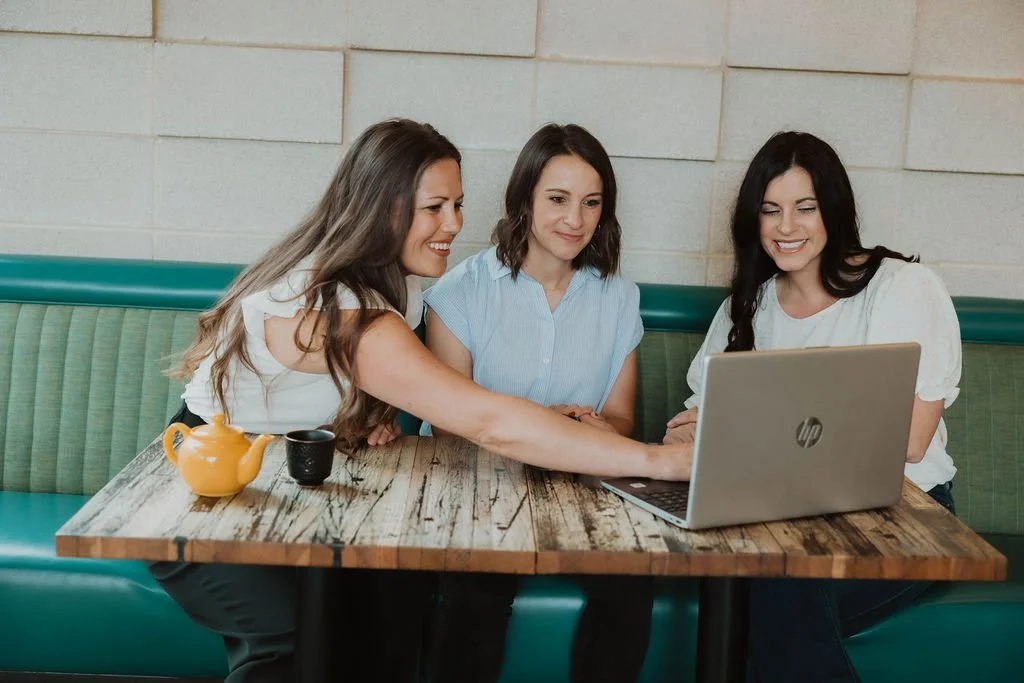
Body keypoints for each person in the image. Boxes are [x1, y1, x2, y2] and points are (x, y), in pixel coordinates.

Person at [149, 118, 692, 683]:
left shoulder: (396, 286)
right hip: (206, 487)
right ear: (383, 208)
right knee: (292, 645)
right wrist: (663, 461)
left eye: (457, 205)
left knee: (388, 602)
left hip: (283, 477)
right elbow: (485, 420)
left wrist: (361, 413)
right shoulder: (346, 309)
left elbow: (335, 386)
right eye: (436, 207)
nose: (455, 224)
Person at [663, 131, 961, 683]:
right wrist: (714, 433)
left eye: (805, 208)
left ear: (834, 209)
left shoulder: (901, 288)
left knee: (768, 585)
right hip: (783, 525)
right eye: (770, 210)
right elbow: (686, 432)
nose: (786, 227)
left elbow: (909, 439)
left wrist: (739, 433)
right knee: (754, 577)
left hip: (908, 519)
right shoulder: (744, 308)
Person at [421, 123, 655, 683]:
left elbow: (622, 419)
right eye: (557, 199)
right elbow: (451, 427)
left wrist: (598, 426)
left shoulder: (619, 298)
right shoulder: (460, 292)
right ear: (524, 198)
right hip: (479, 492)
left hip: (585, 494)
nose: (575, 220)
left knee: (632, 583)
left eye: (591, 203)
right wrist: (542, 425)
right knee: (475, 594)